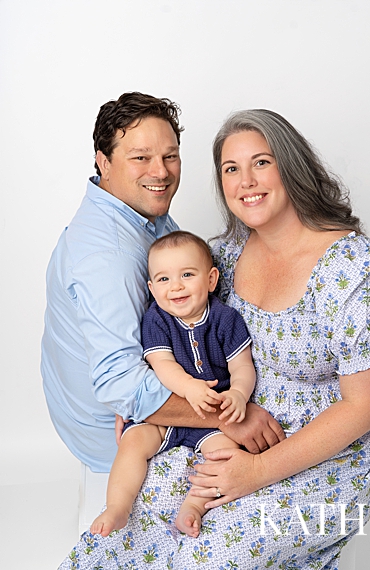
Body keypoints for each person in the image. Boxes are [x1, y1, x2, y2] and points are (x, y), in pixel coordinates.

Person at [48, 109, 370, 570]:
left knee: (209, 558)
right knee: (141, 518)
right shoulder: (222, 257)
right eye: (231, 169)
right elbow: (173, 342)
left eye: (261, 163)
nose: (246, 181)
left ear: (291, 167)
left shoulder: (355, 270)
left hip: (327, 447)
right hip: (233, 423)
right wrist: (146, 406)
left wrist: (256, 471)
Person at [41, 93, 284, 530]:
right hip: (116, 431)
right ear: (103, 161)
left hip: (146, 391)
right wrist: (236, 418)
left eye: (170, 156)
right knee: (260, 496)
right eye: (141, 157)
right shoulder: (107, 257)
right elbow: (120, 385)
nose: (161, 172)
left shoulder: (140, 214)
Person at [90, 231, 255, 538]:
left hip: (212, 416)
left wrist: (238, 394)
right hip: (167, 411)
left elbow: (242, 365)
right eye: (163, 280)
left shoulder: (225, 318)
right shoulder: (156, 320)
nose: (175, 286)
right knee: (133, 444)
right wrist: (190, 388)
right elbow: (163, 365)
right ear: (152, 288)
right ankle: (117, 506)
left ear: (211, 279)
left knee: (226, 452)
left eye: (187, 275)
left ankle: (193, 506)